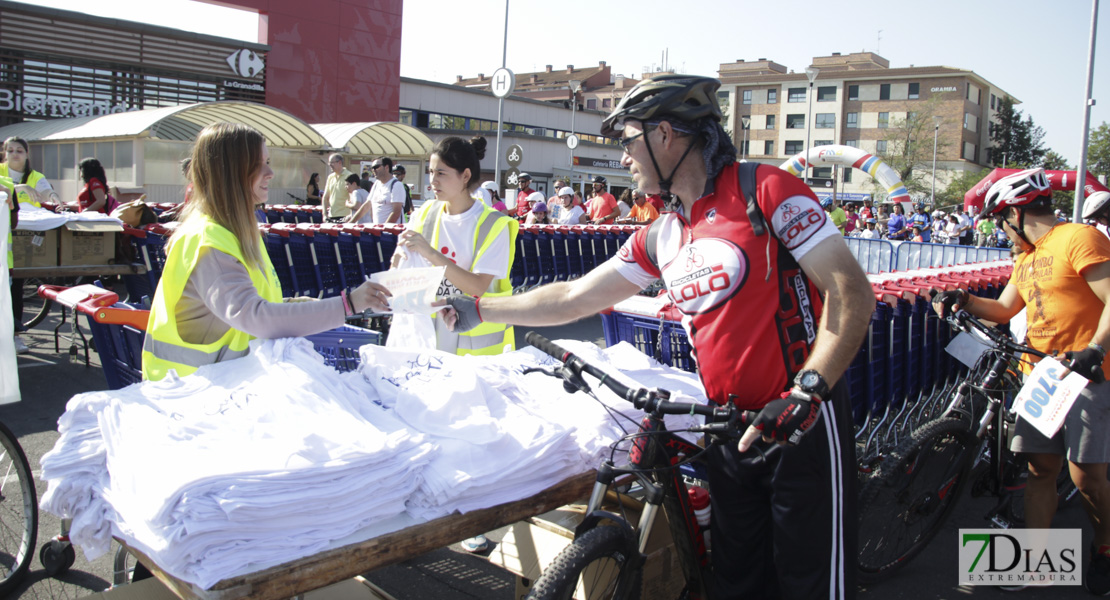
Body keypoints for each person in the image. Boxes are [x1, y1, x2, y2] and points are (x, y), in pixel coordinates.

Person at [442, 74, 872, 599]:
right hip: (728, 429)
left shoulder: (767, 189)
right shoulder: (661, 233)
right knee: (737, 584)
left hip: (800, 423)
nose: (623, 158)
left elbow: (851, 294)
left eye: (627, 140)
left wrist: (808, 391)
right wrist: (479, 308)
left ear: (665, 134)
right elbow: (574, 297)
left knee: (811, 585)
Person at [933, 168, 1110, 595]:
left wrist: (1096, 350)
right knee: (1039, 468)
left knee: (1085, 474)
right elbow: (1006, 309)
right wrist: (964, 300)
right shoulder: (1026, 258)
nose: (1000, 230)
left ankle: (1104, 550)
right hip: (1043, 375)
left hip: (1087, 375)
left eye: (999, 220)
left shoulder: (1079, 239)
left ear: (1016, 212)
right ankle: (1034, 561)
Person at [141, 123, 391, 382]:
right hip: (190, 399)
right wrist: (347, 304)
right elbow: (254, 316)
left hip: (222, 389)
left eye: (268, 161)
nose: (270, 172)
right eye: (258, 164)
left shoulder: (235, 235)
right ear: (229, 172)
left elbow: (251, 307)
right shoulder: (208, 241)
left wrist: (309, 308)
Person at [3, 136, 61, 354]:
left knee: (16, 285)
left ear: (27, 154)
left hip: (24, 238)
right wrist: (21, 189)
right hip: (4, 236)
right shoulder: (1, 173)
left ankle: (16, 336)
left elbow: (46, 190)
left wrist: (54, 197)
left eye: (19, 150)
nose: (14, 154)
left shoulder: (36, 176)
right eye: (10, 151)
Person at [348, 157, 404, 224]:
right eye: (372, 168)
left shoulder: (396, 185)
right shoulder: (376, 184)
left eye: (376, 167)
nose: (373, 170)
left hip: (392, 232)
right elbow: (366, 206)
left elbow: (396, 212)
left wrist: (383, 229)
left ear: (386, 167)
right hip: (378, 231)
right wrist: (350, 223)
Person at [321, 153, 354, 222]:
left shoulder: (350, 176)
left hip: (345, 216)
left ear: (339, 162)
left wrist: (351, 215)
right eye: (329, 163)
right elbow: (325, 197)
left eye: (332, 163)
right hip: (331, 215)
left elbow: (353, 198)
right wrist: (324, 214)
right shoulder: (330, 177)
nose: (330, 165)